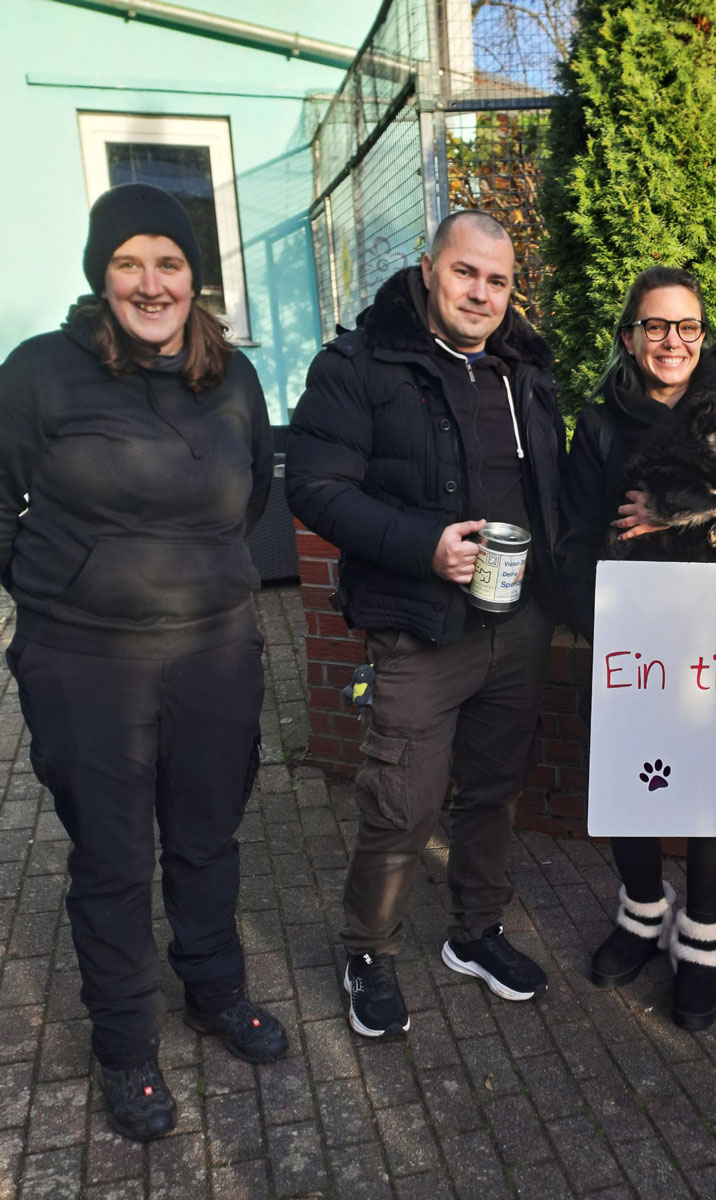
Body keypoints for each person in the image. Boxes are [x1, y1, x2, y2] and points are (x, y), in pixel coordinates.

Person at [0, 183, 288, 1141]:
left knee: (208, 838)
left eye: (170, 262)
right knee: (114, 859)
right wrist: (64, 587)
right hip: (85, 663)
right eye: (129, 263)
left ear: (194, 277)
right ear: (102, 275)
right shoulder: (40, 372)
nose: (151, 283)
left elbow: (252, 496)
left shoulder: (233, 378)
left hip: (214, 653)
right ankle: (126, 1044)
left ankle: (214, 990)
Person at [286, 211, 565, 1037]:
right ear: (430, 268)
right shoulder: (359, 364)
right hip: (417, 625)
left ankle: (475, 933)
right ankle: (367, 950)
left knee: (493, 791)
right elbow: (314, 487)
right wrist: (423, 547)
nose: (481, 293)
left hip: (517, 623)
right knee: (402, 802)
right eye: (465, 272)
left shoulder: (526, 369)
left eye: (498, 280)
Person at [558, 266, 716, 1030]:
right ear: (630, 337)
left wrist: (678, 518)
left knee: (708, 782)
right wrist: (596, 623)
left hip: (715, 632)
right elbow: (576, 533)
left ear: (702, 336)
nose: (672, 340)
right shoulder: (601, 422)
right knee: (630, 778)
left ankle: (701, 936)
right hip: (630, 634)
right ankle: (640, 914)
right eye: (655, 325)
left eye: (686, 326)